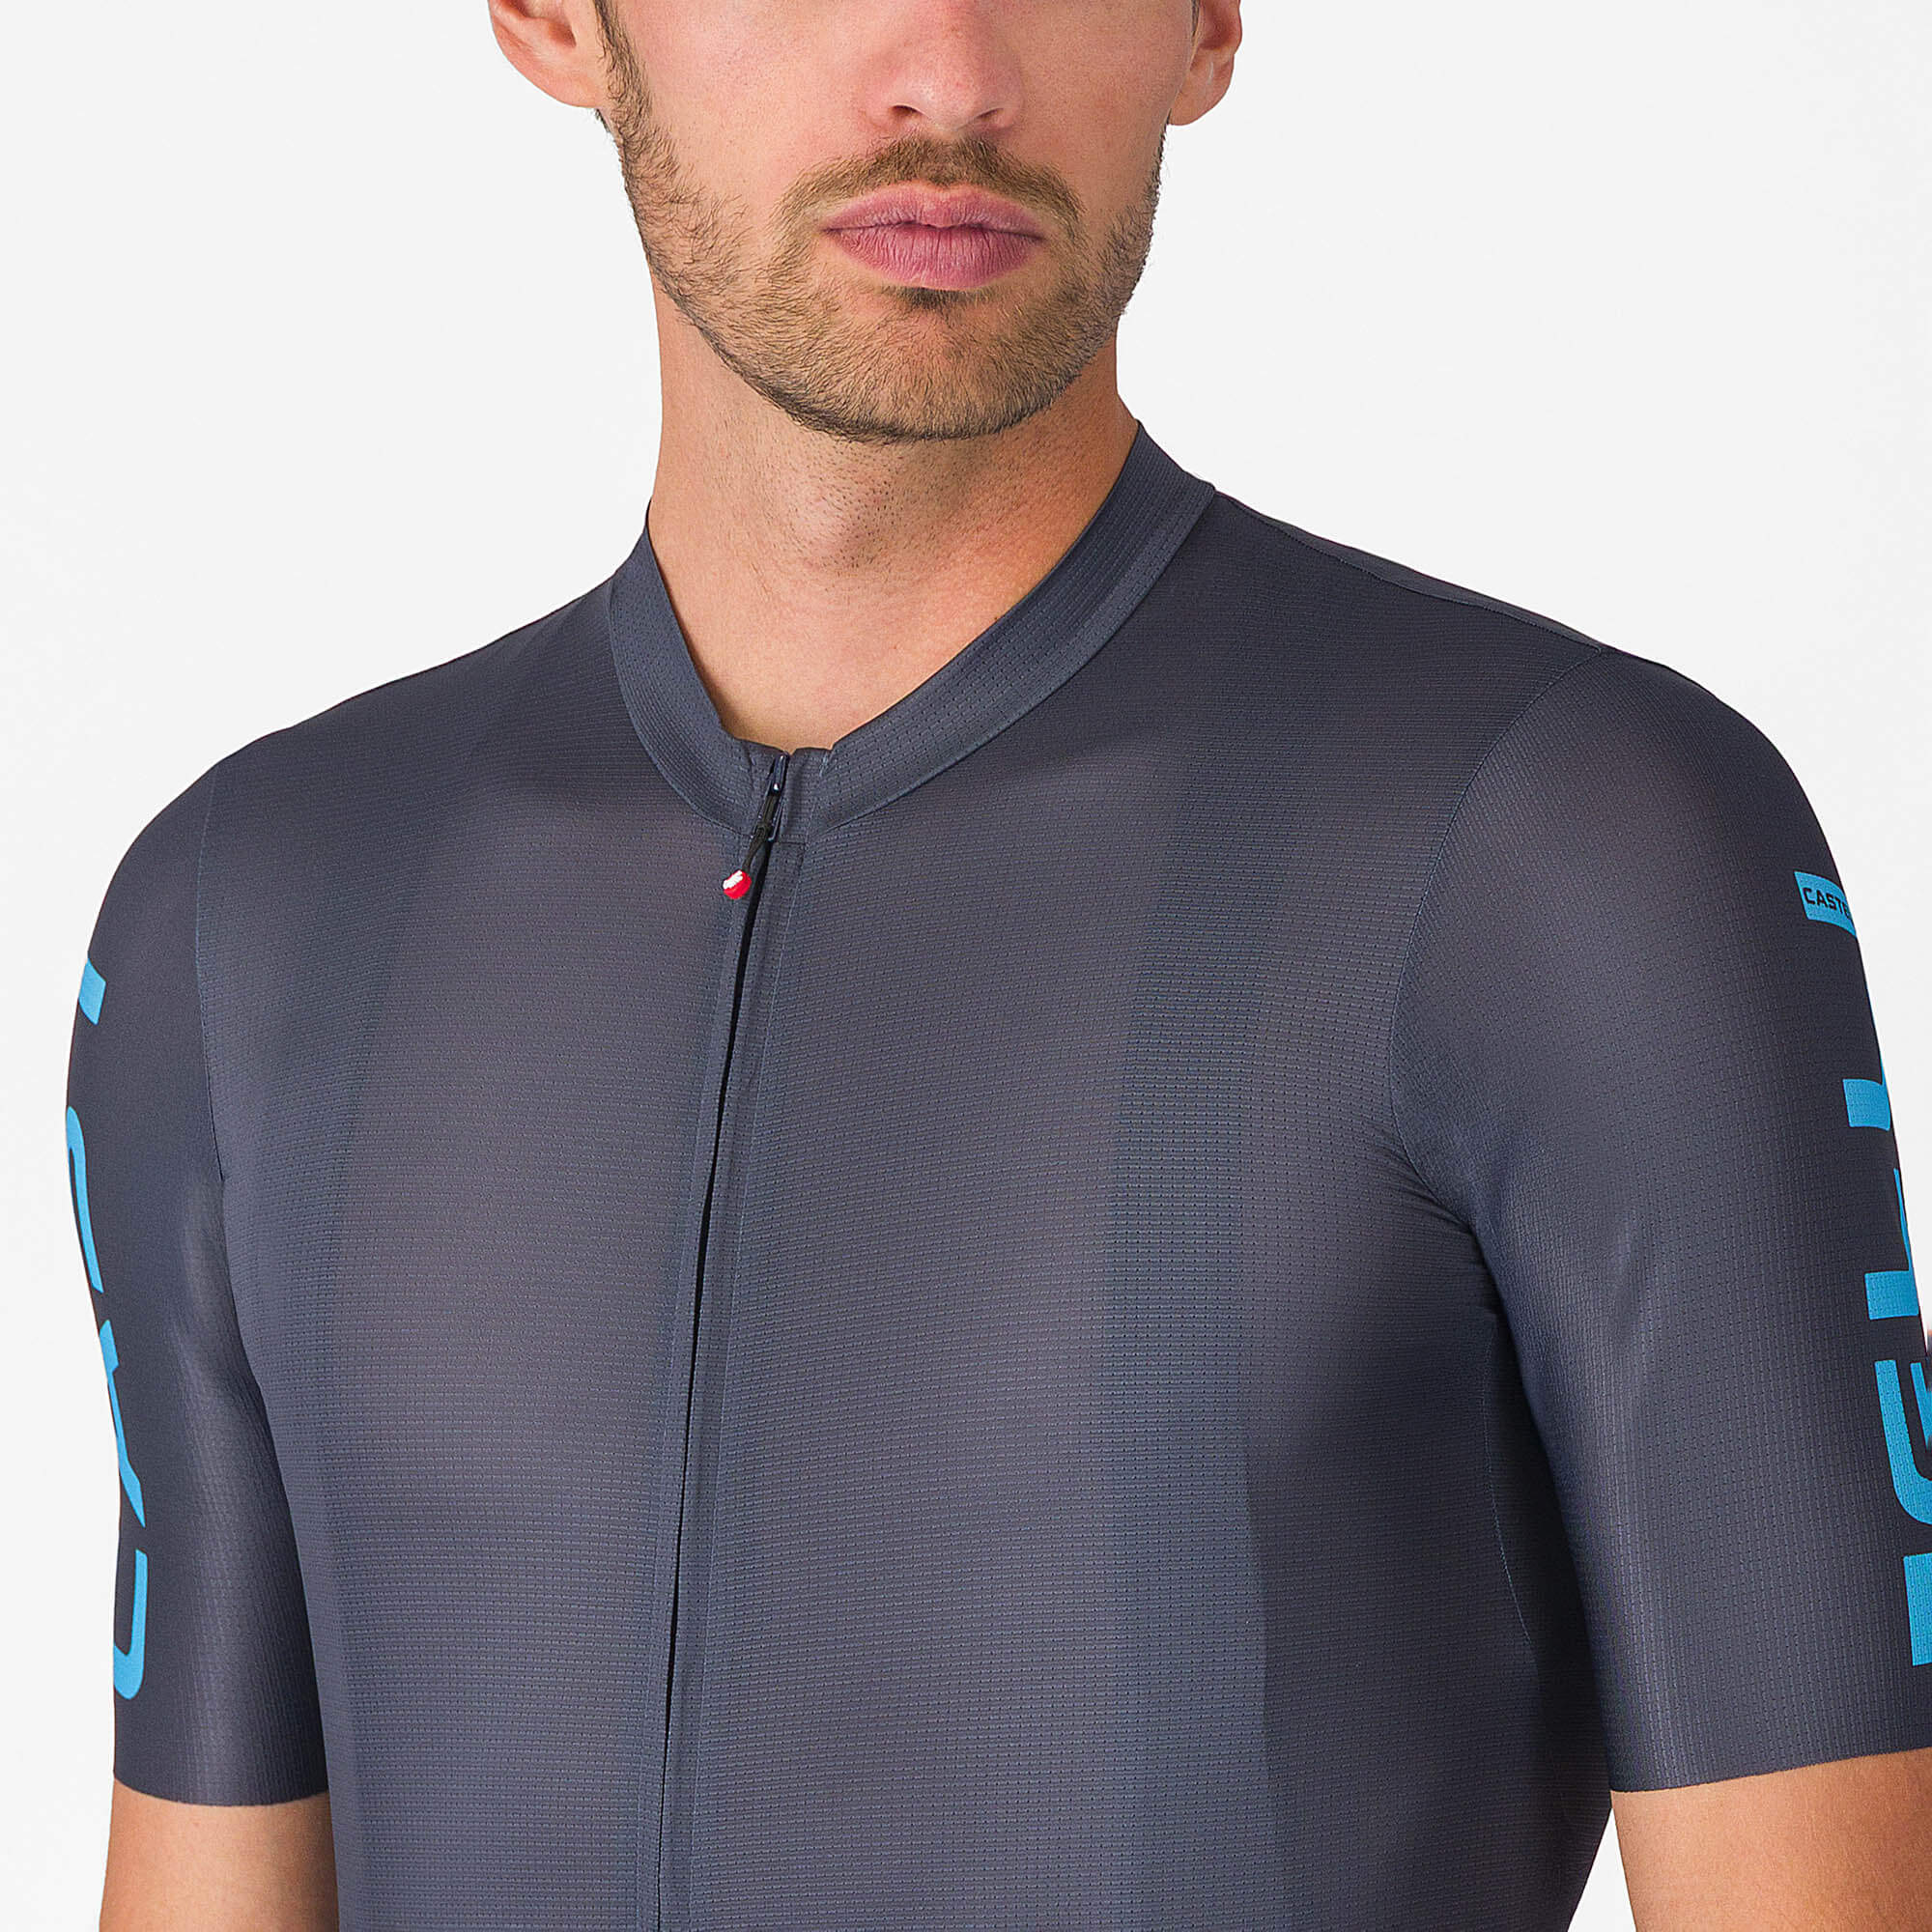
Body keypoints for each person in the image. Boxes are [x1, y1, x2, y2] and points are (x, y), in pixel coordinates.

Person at [67, 2, 1932, 1927]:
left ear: (1208, 22)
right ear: (556, 18)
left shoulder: (1569, 846)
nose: (949, 72)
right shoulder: (243, 922)